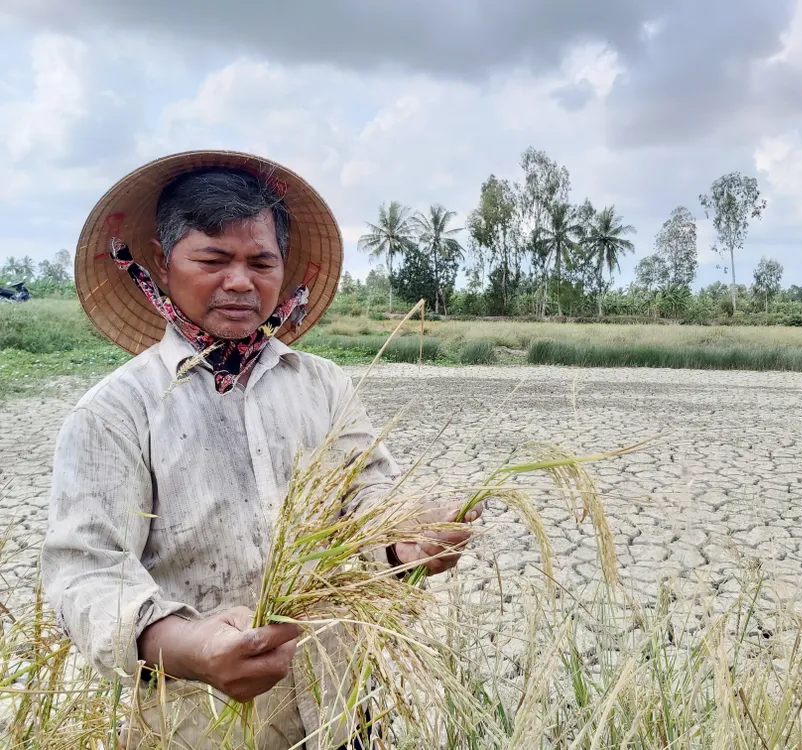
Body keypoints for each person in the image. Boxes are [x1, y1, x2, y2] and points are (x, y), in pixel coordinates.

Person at [41, 151, 481, 749]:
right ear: (163, 265)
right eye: (213, 259)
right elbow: (85, 574)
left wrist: (406, 536)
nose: (241, 281)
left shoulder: (322, 385)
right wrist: (192, 647)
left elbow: (368, 497)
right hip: (199, 724)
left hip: (341, 705)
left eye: (260, 261)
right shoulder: (116, 413)